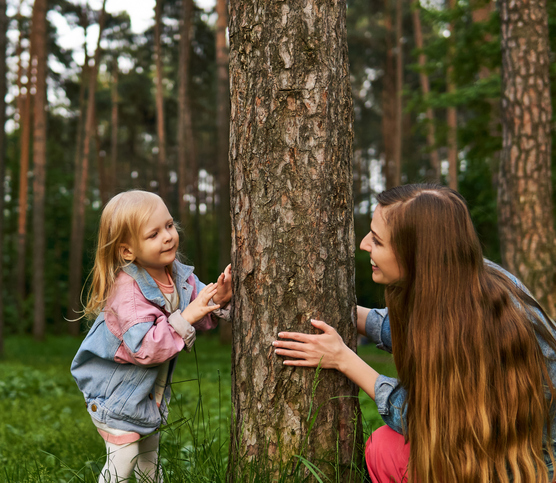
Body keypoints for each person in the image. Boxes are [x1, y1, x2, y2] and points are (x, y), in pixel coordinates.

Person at [272, 184, 556, 483]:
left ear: (416, 256)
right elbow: (403, 330)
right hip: (505, 455)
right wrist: (323, 310)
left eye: (378, 241)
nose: (364, 244)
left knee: (385, 449)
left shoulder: (468, 325)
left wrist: (344, 360)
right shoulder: (470, 281)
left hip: (520, 470)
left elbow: (427, 422)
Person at [70, 190, 232, 483]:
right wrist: (188, 316)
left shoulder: (177, 275)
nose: (168, 236)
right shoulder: (128, 293)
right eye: (153, 234)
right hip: (116, 395)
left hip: (144, 397)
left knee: (149, 460)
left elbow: (200, 308)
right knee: (122, 462)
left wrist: (218, 297)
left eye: (169, 226)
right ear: (127, 251)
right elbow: (146, 349)